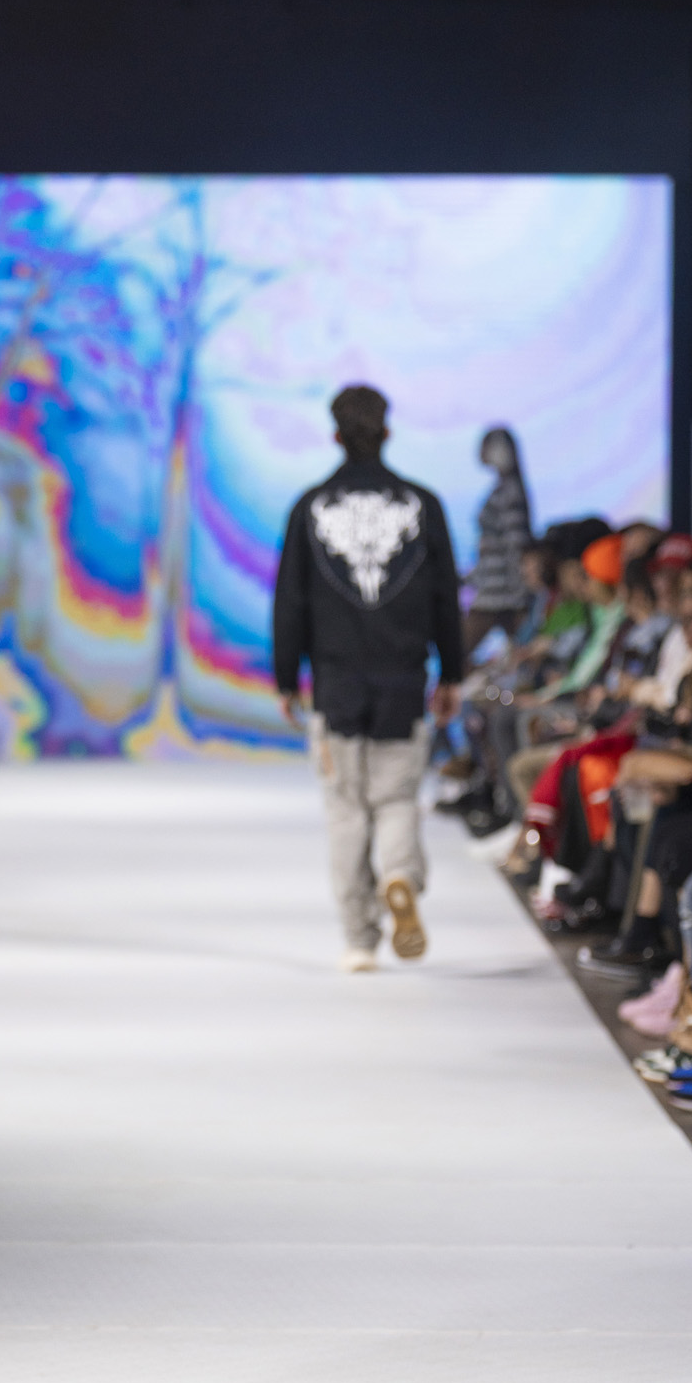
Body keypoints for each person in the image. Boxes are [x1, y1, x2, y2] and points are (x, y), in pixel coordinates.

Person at [273, 384, 463, 969]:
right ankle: (399, 876)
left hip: (337, 685)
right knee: (397, 797)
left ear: (335, 435)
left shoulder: (310, 508)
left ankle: (359, 938)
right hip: (402, 682)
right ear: (387, 433)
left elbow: (291, 601)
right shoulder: (423, 506)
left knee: (346, 810)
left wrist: (287, 678)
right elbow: (444, 597)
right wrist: (452, 674)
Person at [461, 426, 532, 656]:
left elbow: (516, 544)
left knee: (458, 652)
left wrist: (521, 592)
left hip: (501, 593)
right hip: (497, 590)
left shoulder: (509, 491)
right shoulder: (505, 489)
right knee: (523, 651)